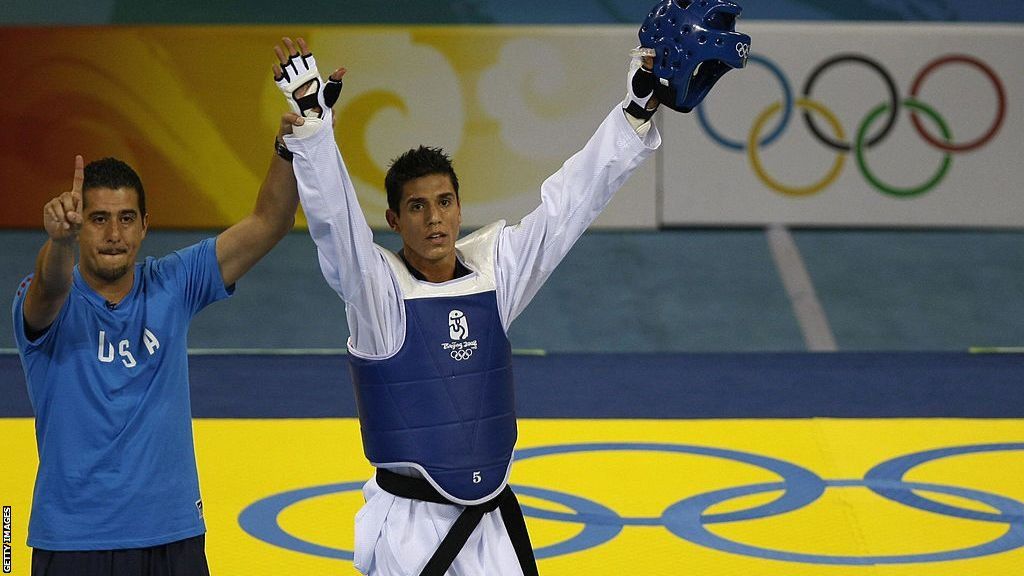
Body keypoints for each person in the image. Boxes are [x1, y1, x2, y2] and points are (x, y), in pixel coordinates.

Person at [272, 1, 747, 570]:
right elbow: (337, 230)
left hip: (493, 524)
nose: (434, 219)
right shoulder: (379, 295)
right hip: (410, 531)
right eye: (417, 208)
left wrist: (636, 108)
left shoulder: (495, 274)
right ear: (395, 221)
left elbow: (568, 205)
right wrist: (316, 131)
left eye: (444, 203)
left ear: (459, 207)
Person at [12, 112, 306, 574]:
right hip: (74, 543)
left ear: (145, 225)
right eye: (98, 220)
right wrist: (60, 244)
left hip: (173, 537)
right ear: (78, 226)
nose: (114, 234)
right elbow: (49, 287)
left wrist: (287, 147)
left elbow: (270, 221)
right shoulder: (47, 299)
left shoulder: (174, 282)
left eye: (126, 219)